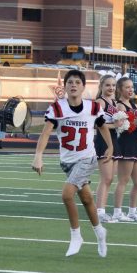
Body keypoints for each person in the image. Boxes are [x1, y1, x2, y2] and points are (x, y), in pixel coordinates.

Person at [32, 69, 113, 257]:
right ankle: (100, 232)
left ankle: (76, 235)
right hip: (67, 161)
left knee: (67, 195)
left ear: (84, 86)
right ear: (65, 87)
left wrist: (110, 146)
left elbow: (102, 126)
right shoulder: (57, 108)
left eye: (78, 82)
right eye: (70, 82)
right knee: (86, 199)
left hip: (87, 158)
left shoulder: (92, 107)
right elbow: (45, 133)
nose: (74, 85)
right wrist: (38, 155)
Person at [112, 76, 137, 222]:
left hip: (136, 144)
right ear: (120, 89)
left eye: (132, 87)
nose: (130, 89)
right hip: (126, 144)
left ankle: (132, 211)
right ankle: (117, 212)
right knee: (124, 180)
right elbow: (125, 127)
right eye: (127, 87)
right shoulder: (120, 106)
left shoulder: (133, 104)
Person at [93, 75, 121, 223]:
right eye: (108, 85)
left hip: (114, 140)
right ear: (101, 86)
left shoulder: (114, 102)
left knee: (110, 179)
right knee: (106, 178)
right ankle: (99, 211)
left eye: (113, 85)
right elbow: (96, 124)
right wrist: (115, 125)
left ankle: (102, 209)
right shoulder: (100, 102)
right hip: (103, 141)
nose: (111, 88)